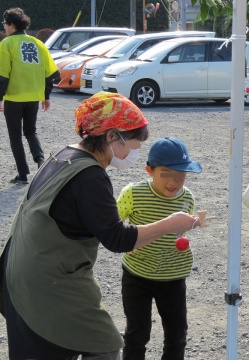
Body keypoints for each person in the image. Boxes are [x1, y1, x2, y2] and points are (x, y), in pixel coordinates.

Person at [0, 91, 200, 360]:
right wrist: (170, 223)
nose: (133, 153)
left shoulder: (64, 154)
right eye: (131, 145)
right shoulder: (90, 176)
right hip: (46, 280)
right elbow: (117, 238)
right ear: (110, 136)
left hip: (21, 269)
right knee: (103, 343)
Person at [117, 137, 202, 359]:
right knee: (137, 333)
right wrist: (127, 240)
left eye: (181, 174)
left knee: (176, 334)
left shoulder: (187, 198)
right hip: (136, 274)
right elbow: (113, 223)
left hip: (173, 276)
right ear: (149, 170)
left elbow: (179, 234)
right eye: (166, 173)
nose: (174, 181)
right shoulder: (133, 194)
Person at [0, 8, 59, 184]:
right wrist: (46, 96)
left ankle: (23, 174)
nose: (4, 26)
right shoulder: (38, 43)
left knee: (15, 135)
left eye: (5, 23)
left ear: (11, 25)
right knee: (31, 131)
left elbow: (2, 75)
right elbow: (51, 74)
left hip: (14, 97)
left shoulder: (6, 44)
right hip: (34, 96)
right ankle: (40, 160)